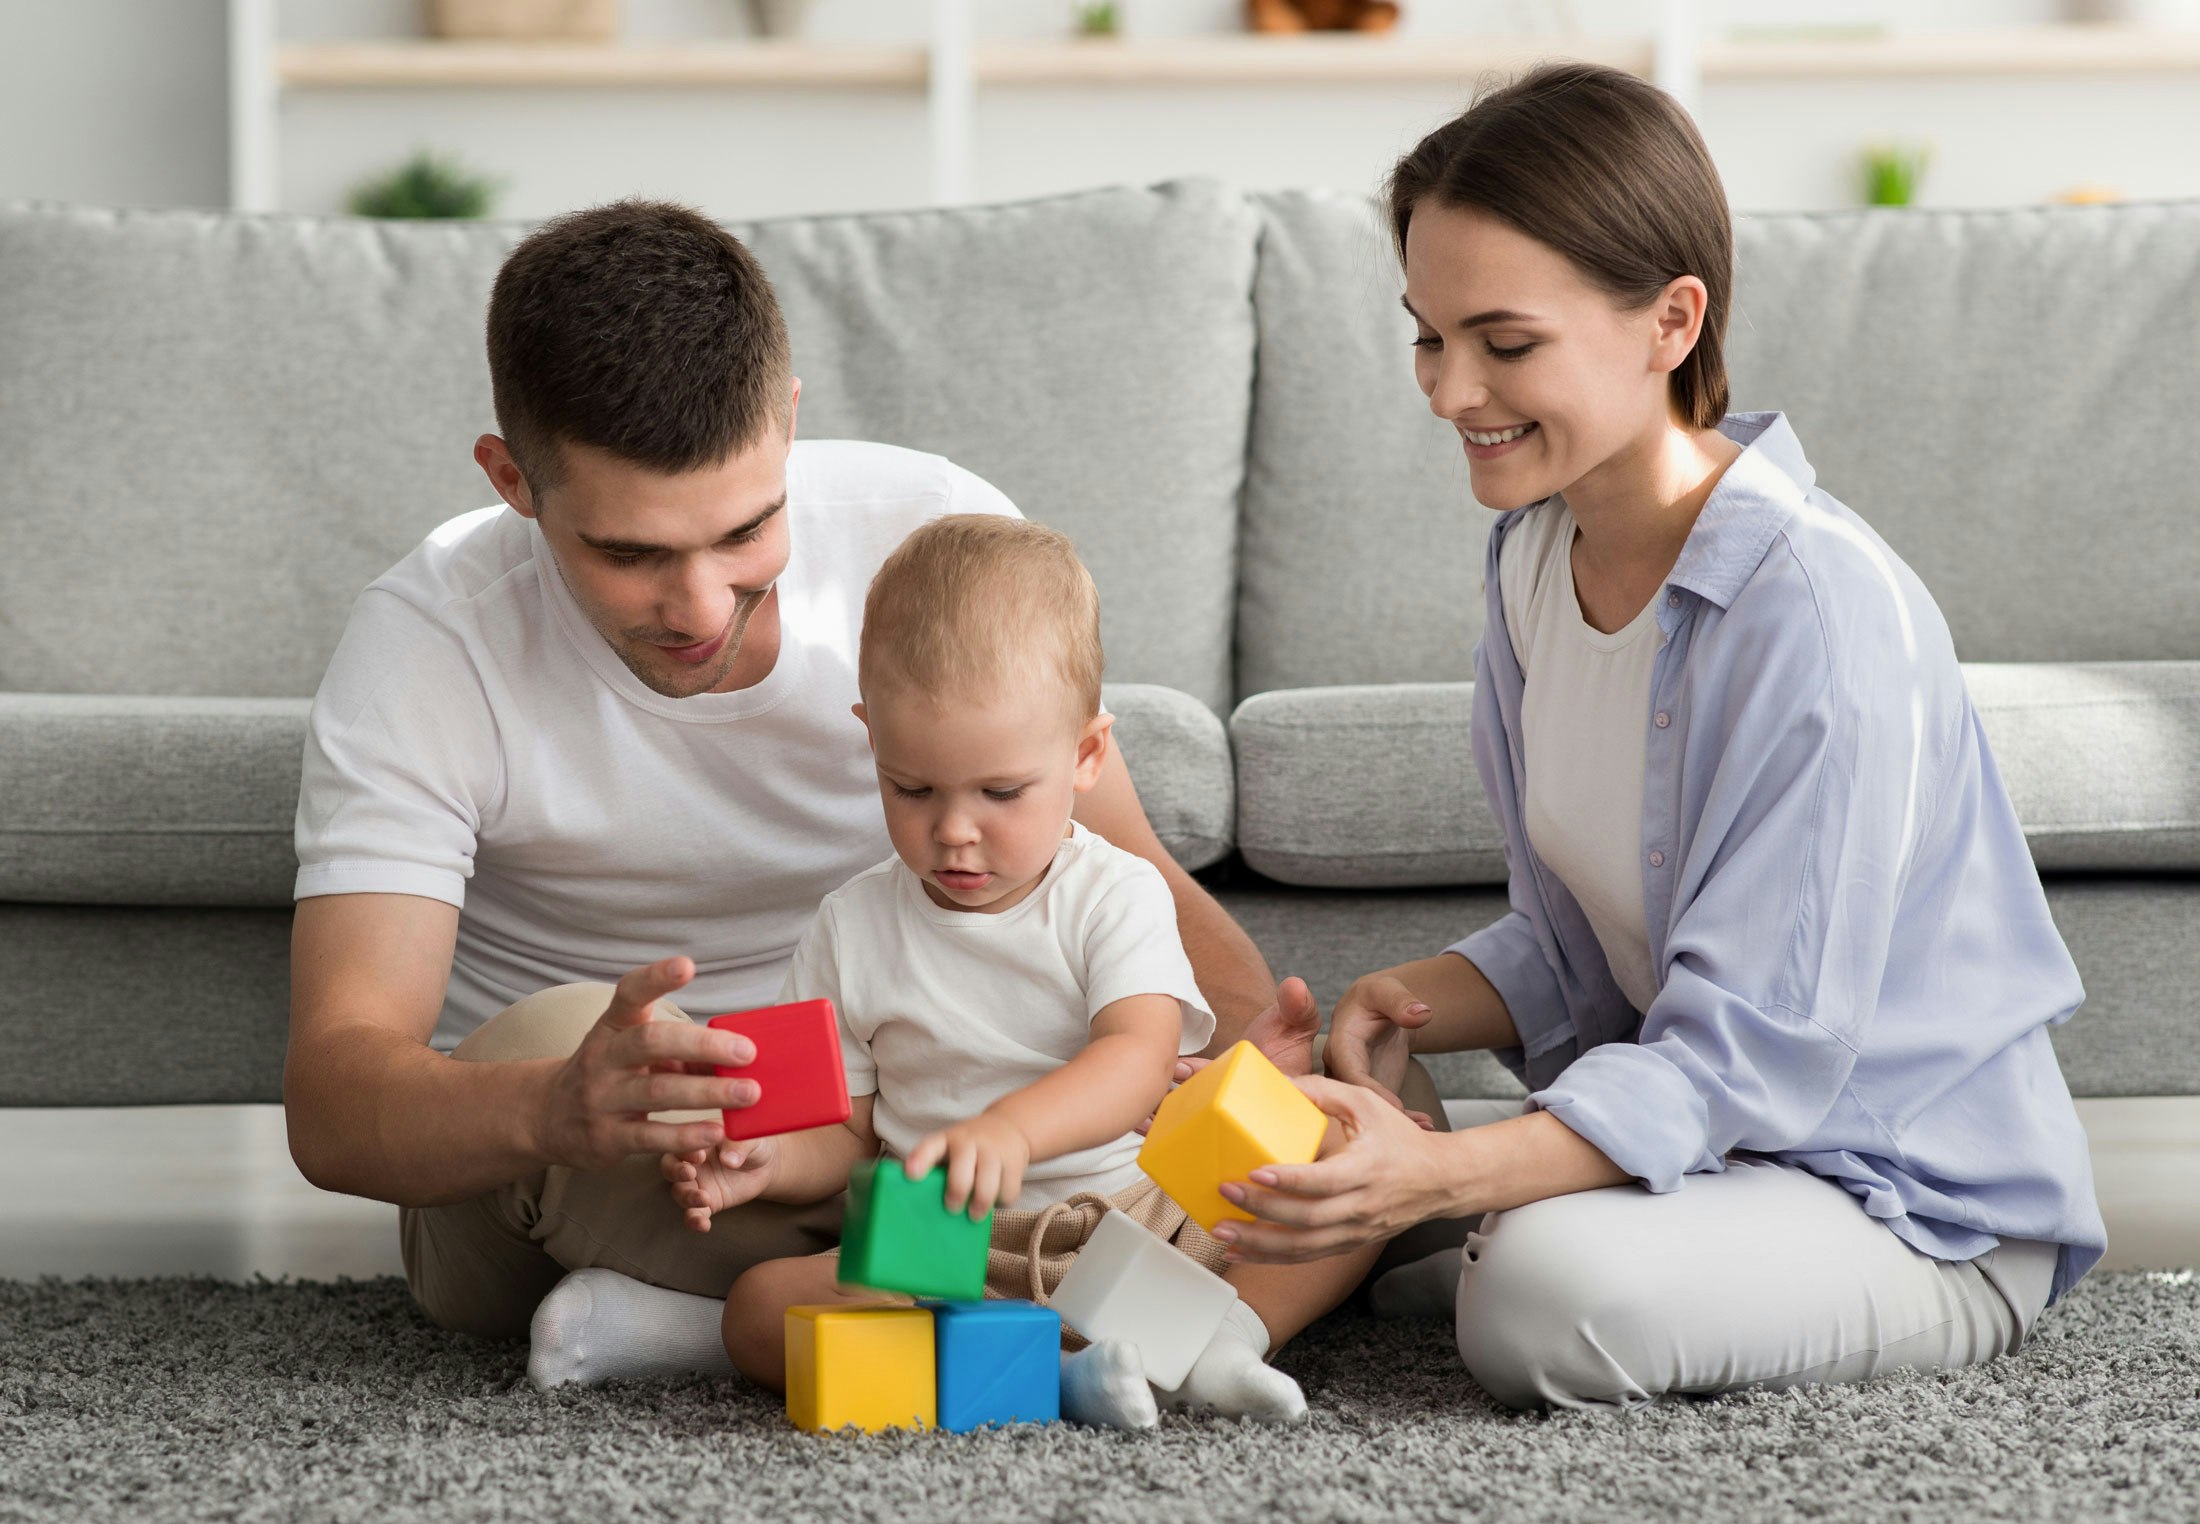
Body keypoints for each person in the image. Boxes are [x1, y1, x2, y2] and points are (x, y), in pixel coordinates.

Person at [282, 200, 1364, 1387]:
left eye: (746, 528)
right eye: (631, 554)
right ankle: (1063, 1306)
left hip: (926, 1139)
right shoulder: (429, 643)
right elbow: (335, 1102)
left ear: (787, 426)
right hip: (634, 1150)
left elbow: (1114, 874)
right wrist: (556, 1107)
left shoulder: (932, 547)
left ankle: (714, 1332)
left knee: (1344, 1112)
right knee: (569, 1039)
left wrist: (1262, 1083)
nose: (699, 606)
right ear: (512, 480)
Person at [1216, 63, 2108, 1410]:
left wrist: (1450, 1175)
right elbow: (1587, 939)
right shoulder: (1533, 558)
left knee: (1535, 1296)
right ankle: (1460, 1222)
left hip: (1902, 1194)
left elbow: (1749, 1051)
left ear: (1671, 321)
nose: (1452, 391)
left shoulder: (1815, 611)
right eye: (1427, 335)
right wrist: (1390, 1003)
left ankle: (1471, 1232)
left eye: (1505, 343)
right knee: (1369, 1188)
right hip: (1725, 1153)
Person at [665, 515, 1370, 1426]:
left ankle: (1228, 1335)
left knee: (1355, 1155)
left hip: (1136, 1224)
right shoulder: (848, 926)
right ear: (869, 736)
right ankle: (1066, 1378)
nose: (954, 830)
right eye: (911, 788)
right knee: (759, 1309)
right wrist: (764, 1160)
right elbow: (844, 1133)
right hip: (944, 1253)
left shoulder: (1115, 894)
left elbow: (1139, 1056)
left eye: (1001, 793)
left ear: (1085, 756)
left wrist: (1010, 1132)